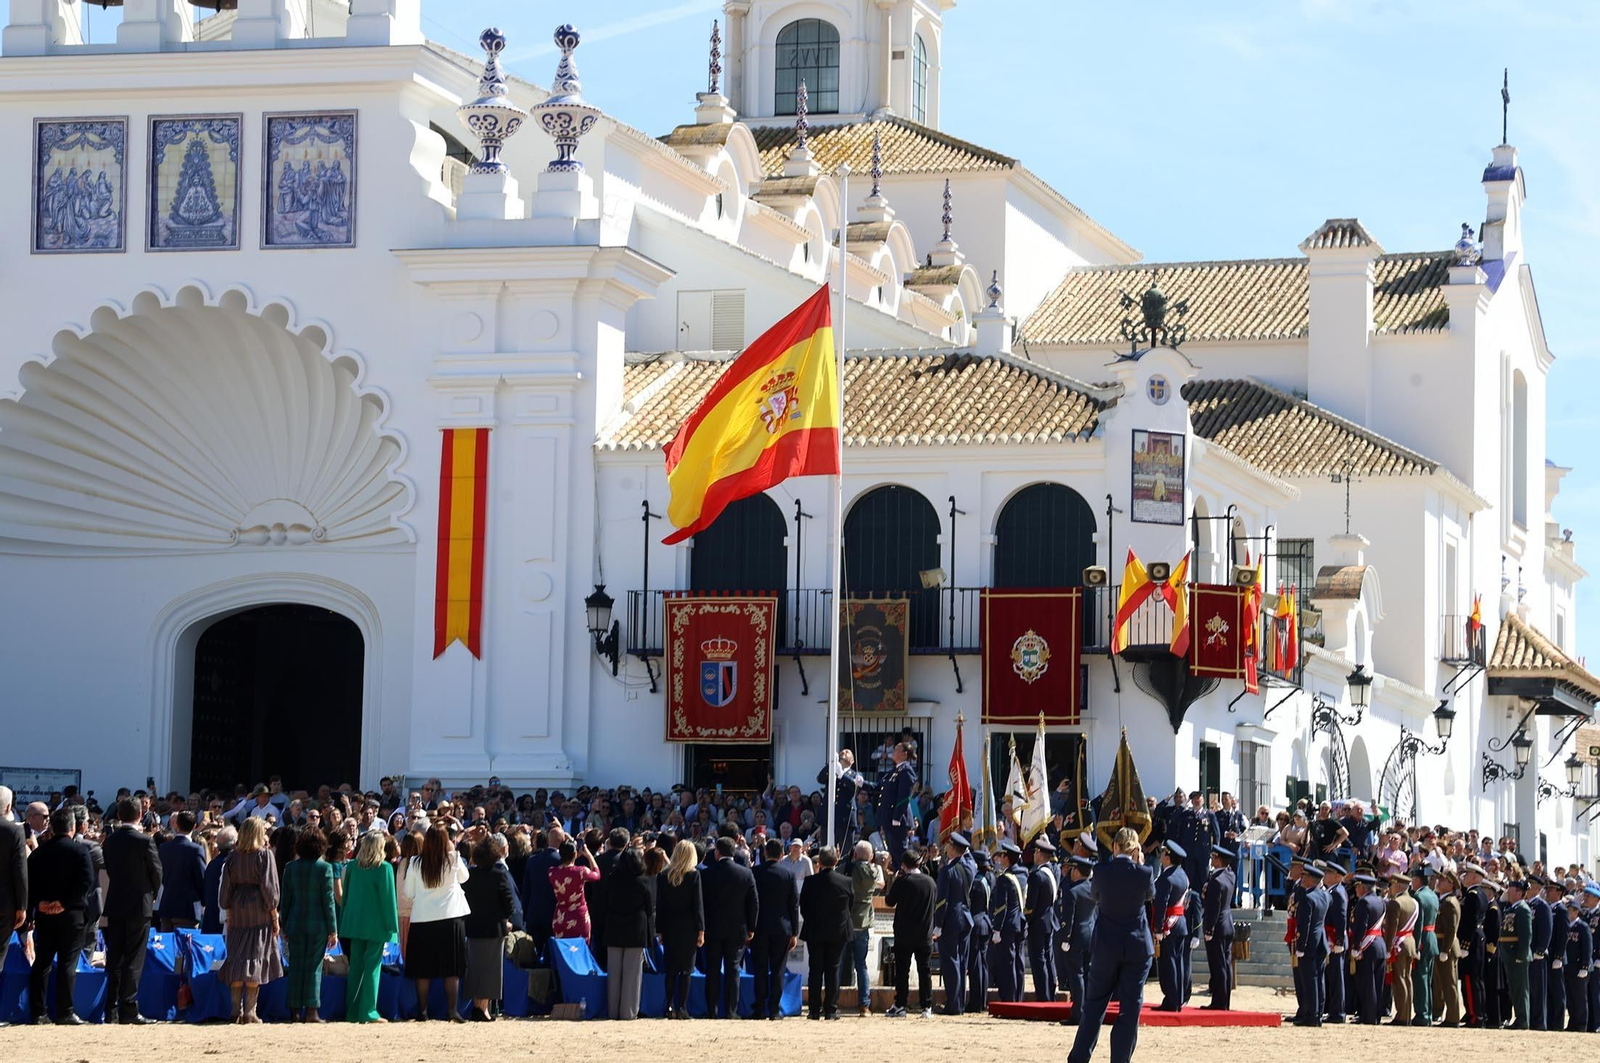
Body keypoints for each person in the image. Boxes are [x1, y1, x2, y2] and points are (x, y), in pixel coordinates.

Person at [1066, 827, 1155, 1063]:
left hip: (1106, 945)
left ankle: (1079, 1057)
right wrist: (1140, 863)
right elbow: (1149, 895)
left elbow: (1096, 896)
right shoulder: (1145, 872)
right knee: (1130, 1009)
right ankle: (1120, 1059)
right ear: (1136, 849)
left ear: (1114, 847)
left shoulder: (1101, 871)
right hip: (1136, 947)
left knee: (1094, 1006)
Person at [25, 807, 93, 1025]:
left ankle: (38, 1012)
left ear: (52, 828)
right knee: (67, 963)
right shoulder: (80, 851)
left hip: (45, 915)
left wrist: (39, 903)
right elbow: (86, 882)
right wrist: (64, 903)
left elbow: (28, 883)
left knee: (42, 962)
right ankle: (65, 1011)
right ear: (72, 828)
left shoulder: (39, 852)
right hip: (72, 914)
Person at [101, 796, 162, 1025]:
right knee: (134, 958)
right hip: (139, 904)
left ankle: (111, 1008)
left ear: (119, 816)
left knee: (115, 957)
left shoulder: (110, 841)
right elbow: (157, 873)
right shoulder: (145, 841)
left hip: (116, 902)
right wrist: (152, 894)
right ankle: (129, 1008)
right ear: (140, 815)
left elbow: (109, 868)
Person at [219, 816, 284, 1023]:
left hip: (237, 911)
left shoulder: (232, 857)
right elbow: (270, 889)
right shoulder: (264, 856)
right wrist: (274, 917)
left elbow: (225, 891)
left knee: (237, 958)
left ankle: (235, 1010)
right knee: (256, 958)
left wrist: (228, 912)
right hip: (258, 912)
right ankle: (250, 1011)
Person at [404, 822, 470, 1022]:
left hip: (423, 919)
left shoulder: (415, 862)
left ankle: (422, 1012)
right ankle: (452, 1011)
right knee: (452, 969)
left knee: (422, 970)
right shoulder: (454, 858)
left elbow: (408, 893)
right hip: (451, 919)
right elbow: (465, 878)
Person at [279, 827, 337, 1023]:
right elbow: (328, 901)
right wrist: (333, 929)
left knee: (296, 967)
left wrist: (284, 925)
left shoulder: (290, 867)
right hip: (317, 925)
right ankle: (312, 1011)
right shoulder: (325, 868)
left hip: (294, 923)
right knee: (313, 967)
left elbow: (285, 901)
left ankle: (294, 1012)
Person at [341, 830, 398, 1023]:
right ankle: (368, 1011)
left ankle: (353, 1011)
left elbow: (346, 896)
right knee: (372, 966)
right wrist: (392, 926)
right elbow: (388, 899)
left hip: (354, 924)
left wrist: (344, 921)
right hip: (376, 925)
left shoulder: (352, 867)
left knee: (355, 966)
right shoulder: (385, 868)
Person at [700, 835, 758, 1019]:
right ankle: (732, 1011)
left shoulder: (706, 873)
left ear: (717, 853)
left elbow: (701, 903)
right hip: (737, 928)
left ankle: (712, 1010)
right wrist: (751, 927)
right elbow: (753, 903)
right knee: (733, 969)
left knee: (713, 969)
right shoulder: (746, 873)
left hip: (712, 928)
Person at [463, 836, 517, 1022]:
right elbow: (509, 903)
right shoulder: (499, 875)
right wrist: (507, 919)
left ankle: (477, 1005)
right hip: (493, 928)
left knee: (475, 967)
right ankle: (483, 1008)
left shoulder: (470, 874)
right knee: (490, 969)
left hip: (473, 927)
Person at [600, 842, 653, 1020]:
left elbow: (605, 902)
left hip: (614, 927)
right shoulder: (643, 880)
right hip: (635, 930)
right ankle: (628, 1012)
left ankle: (612, 1011)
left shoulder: (612, 878)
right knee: (632, 974)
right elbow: (649, 908)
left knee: (614, 973)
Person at [799, 845, 852, 1020]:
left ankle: (814, 1010)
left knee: (815, 970)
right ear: (836, 861)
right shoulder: (846, 882)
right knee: (833, 970)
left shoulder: (810, 882)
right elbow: (849, 907)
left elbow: (804, 907)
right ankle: (831, 1009)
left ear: (819, 862)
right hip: (837, 931)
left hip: (815, 930)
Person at [655, 839, 704, 1020]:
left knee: (671, 969)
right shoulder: (694, 875)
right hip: (689, 928)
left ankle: (668, 1006)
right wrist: (701, 930)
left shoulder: (663, 876)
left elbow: (660, 906)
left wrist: (660, 930)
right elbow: (697, 906)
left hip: (669, 927)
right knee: (686, 970)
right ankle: (682, 1007)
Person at [750, 837, 798, 1020]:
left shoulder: (754, 872)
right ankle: (775, 1009)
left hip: (759, 927)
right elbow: (793, 905)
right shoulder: (788, 875)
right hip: (782, 927)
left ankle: (759, 1008)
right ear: (782, 854)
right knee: (778, 969)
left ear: (765, 852)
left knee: (760, 968)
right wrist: (794, 931)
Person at [884, 847, 936, 1018]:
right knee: (925, 971)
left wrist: (895, 880)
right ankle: (926, 1006)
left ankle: (900, 1005)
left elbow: (890, 902)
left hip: (904, 934)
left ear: (904, 865)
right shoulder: (930, 882)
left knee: (902, 972)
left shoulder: (903, 881)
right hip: (924, 934)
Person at [936, 832, 975, 1015]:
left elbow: (942, 901)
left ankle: (953, 1005)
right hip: (965, 918)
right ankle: (959, 1002)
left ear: (952, 849)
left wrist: (938, 924)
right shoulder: (969, 867)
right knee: (961, 962)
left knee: (951, 962)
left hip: (950, 919)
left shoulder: (947, 871)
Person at [1152, 839, 1189, 1010]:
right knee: (1179, 962)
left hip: (1169, 924)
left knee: (1169, 963)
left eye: (1164, 853)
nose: (1161, 856)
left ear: (1168, 857)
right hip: (1180, 922)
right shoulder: (1182, 875)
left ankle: (1172, 1000)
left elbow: (1160, 905)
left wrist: (1158, 928)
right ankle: (1178, 998)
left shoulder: (1165, 878)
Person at [1291, 861, 1328, 1026]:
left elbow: (1304, 925)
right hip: (1321, 940)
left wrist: (1300, 946)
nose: (1302, 878)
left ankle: (1312, 1016)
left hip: (1309, 942)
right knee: (1319, 979)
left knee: (1310, 980)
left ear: (1310, 879)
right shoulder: (1325, 895)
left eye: (1304, 876)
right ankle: (1318, 1012)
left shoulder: (1307, 898)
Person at [157, 810, 207, 932]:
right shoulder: (196, 850)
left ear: (177, 825)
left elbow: (160, 875)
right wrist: (204, 901)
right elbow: (201, 878)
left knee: (167, 948)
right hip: (187, 907)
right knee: (185, 948)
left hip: (167, 905)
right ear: (195, 826)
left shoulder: (164, 848)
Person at [1058, 855, 1096, 1018]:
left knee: (1076, 975)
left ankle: (1078, 1012)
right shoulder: (1092, 889)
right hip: (1090, 934)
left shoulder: (1072, 891)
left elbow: (1068, 919)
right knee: (1087, 974)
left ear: (1077, 871)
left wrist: (1065, 938)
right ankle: (1087, 1010)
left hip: (1075, 937)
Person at [1347, 871, 1387, 1024]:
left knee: (1367, 983)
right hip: (1379, 944)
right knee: (1377, 983)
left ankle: (1368, 1016)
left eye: (1357, 886)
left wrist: (1356, 946)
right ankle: (1375, 1014)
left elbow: (1361, 926)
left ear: (1363, 888)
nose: (1356, 890)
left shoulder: (1364, 902)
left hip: (1368, 945)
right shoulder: (1380, 901)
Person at [1024, 836, 1060, 1004]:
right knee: (1048, 958)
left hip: (1037, 922)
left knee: (1039, 962)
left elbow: (1031, 905)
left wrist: (1027, 920)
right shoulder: (1052, 872)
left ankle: (1044, 996)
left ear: (1040, 854)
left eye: (1036, 852)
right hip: (1049, 920)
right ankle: (1050, 991)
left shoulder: (1037, 875)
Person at [548, 836, 601, 943]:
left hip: (560, 917)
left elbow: (566, 866)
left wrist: (573, 856)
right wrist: (589, 855)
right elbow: (597, 874)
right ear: (575, 855)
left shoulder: (552, 872)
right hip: (579, 916)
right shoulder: (581, 871)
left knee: (563, 951)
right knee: (581, 950)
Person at [1383, 869, 1419, 1025]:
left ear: (1397, 885)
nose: (1390, 887)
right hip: (1410, 942)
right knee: (1407, 979)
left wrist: (1387, 948)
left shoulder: (1395, 903)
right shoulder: (1414, 902)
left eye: (1392, 884)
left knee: (1399, 980)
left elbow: (1392, 927)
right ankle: (1406, 1013)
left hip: (1398, 943)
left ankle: (1402, 1016)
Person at [1202, 845, 1235, 1011]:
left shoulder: (1216, 880)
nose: (1212, 860)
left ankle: (1219, 1001)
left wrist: (1209, 929)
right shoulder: (1230, 875)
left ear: (1218, 860)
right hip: (1227, 922)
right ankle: (1224, 1000)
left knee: (1218, 965)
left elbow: (1213, 907)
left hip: (1218, 926)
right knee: (1225, 964)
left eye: (1214, 857)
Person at [1431, 866, 1465, 1027]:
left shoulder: (1450, 902)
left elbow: (1451, 929)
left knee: (1449, 984)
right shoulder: (1443, 900)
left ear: (1451, 885)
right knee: (1440, 983)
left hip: (1446, 946)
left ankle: (1453, 1017)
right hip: (1440, 945)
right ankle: (1443, 1014)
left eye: (1443, 879)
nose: (1439, 881)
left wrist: (1445, 949)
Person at [0, 785, 25, 1000]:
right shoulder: (14, 830)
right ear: (9, 807)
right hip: (4, 904)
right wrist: (22, 907)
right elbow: (20, 871)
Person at [876, 742, 918, 865]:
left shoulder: (906, 770)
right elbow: (880, 787)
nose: (893, 751)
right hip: (889, 819)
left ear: (905, 754)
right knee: (894, 855)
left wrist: (896, 818)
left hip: (897, 820)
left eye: (897, 749)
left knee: (900, 854)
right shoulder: (895, 770)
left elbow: (904, 797)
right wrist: (860, 783)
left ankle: (904, 879)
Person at [1499, 877, 1532, 1029]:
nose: (1508, 893)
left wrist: (1522, 955)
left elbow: (1526, 936)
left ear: (1519, 893)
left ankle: (1523, 1019)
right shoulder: (1511, 908)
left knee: (1520, 989)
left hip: (1517, 954)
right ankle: (1519, 1017)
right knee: (1514, 988)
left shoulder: (1523, 909)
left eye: (1511, 890)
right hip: (1509, 953)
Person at [1320, 861, 1348, 1023]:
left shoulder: (1337, 892)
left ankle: (1338, 1012)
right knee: (1332, 975)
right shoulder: (1333, 891)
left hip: (1335, 939)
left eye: (1328, 872)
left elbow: (1341, 918)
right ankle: (1333, 1009)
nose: (1325, 875)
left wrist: (1338, 940)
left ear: (1337, 877)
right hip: (1330, 937)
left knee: (1337, 977)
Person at [966, 848, 992, 1014]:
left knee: (976, 967)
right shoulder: (988, 879)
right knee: (982, 965)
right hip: (985, 922)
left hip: (976, 923)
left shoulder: (975, 882)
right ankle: (981, 1001)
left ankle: (975, 1003)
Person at [1527, 871, 1552, 1030]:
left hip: (1537, 954)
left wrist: (1540, 950)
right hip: (1527, 953)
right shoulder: (1527, 905)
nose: (1526, 889)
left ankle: (1539, 1022)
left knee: (1538, 989)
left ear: (1536, 888)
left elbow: (1546, 930)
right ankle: (1531, 1019)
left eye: (1529, 886)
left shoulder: (1542, 906)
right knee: (1529, 988)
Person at [1563, 896, 1592, 1031]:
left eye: (1569, 910)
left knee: (1580, 998)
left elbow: (1587, 947)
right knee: (1570, 997)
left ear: (1576, 911)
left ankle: (1581, 1025)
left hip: (1580, 967)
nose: (1567, 912)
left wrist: (1585, 966)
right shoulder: (1566, 926)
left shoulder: (1582, 926)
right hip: (1569, 967)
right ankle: (1572, 1023)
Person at [201, 824, 236, 934]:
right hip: (226, 922)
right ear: (235, 843)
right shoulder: (232, 864)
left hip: (211, 921)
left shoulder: (212, 864)